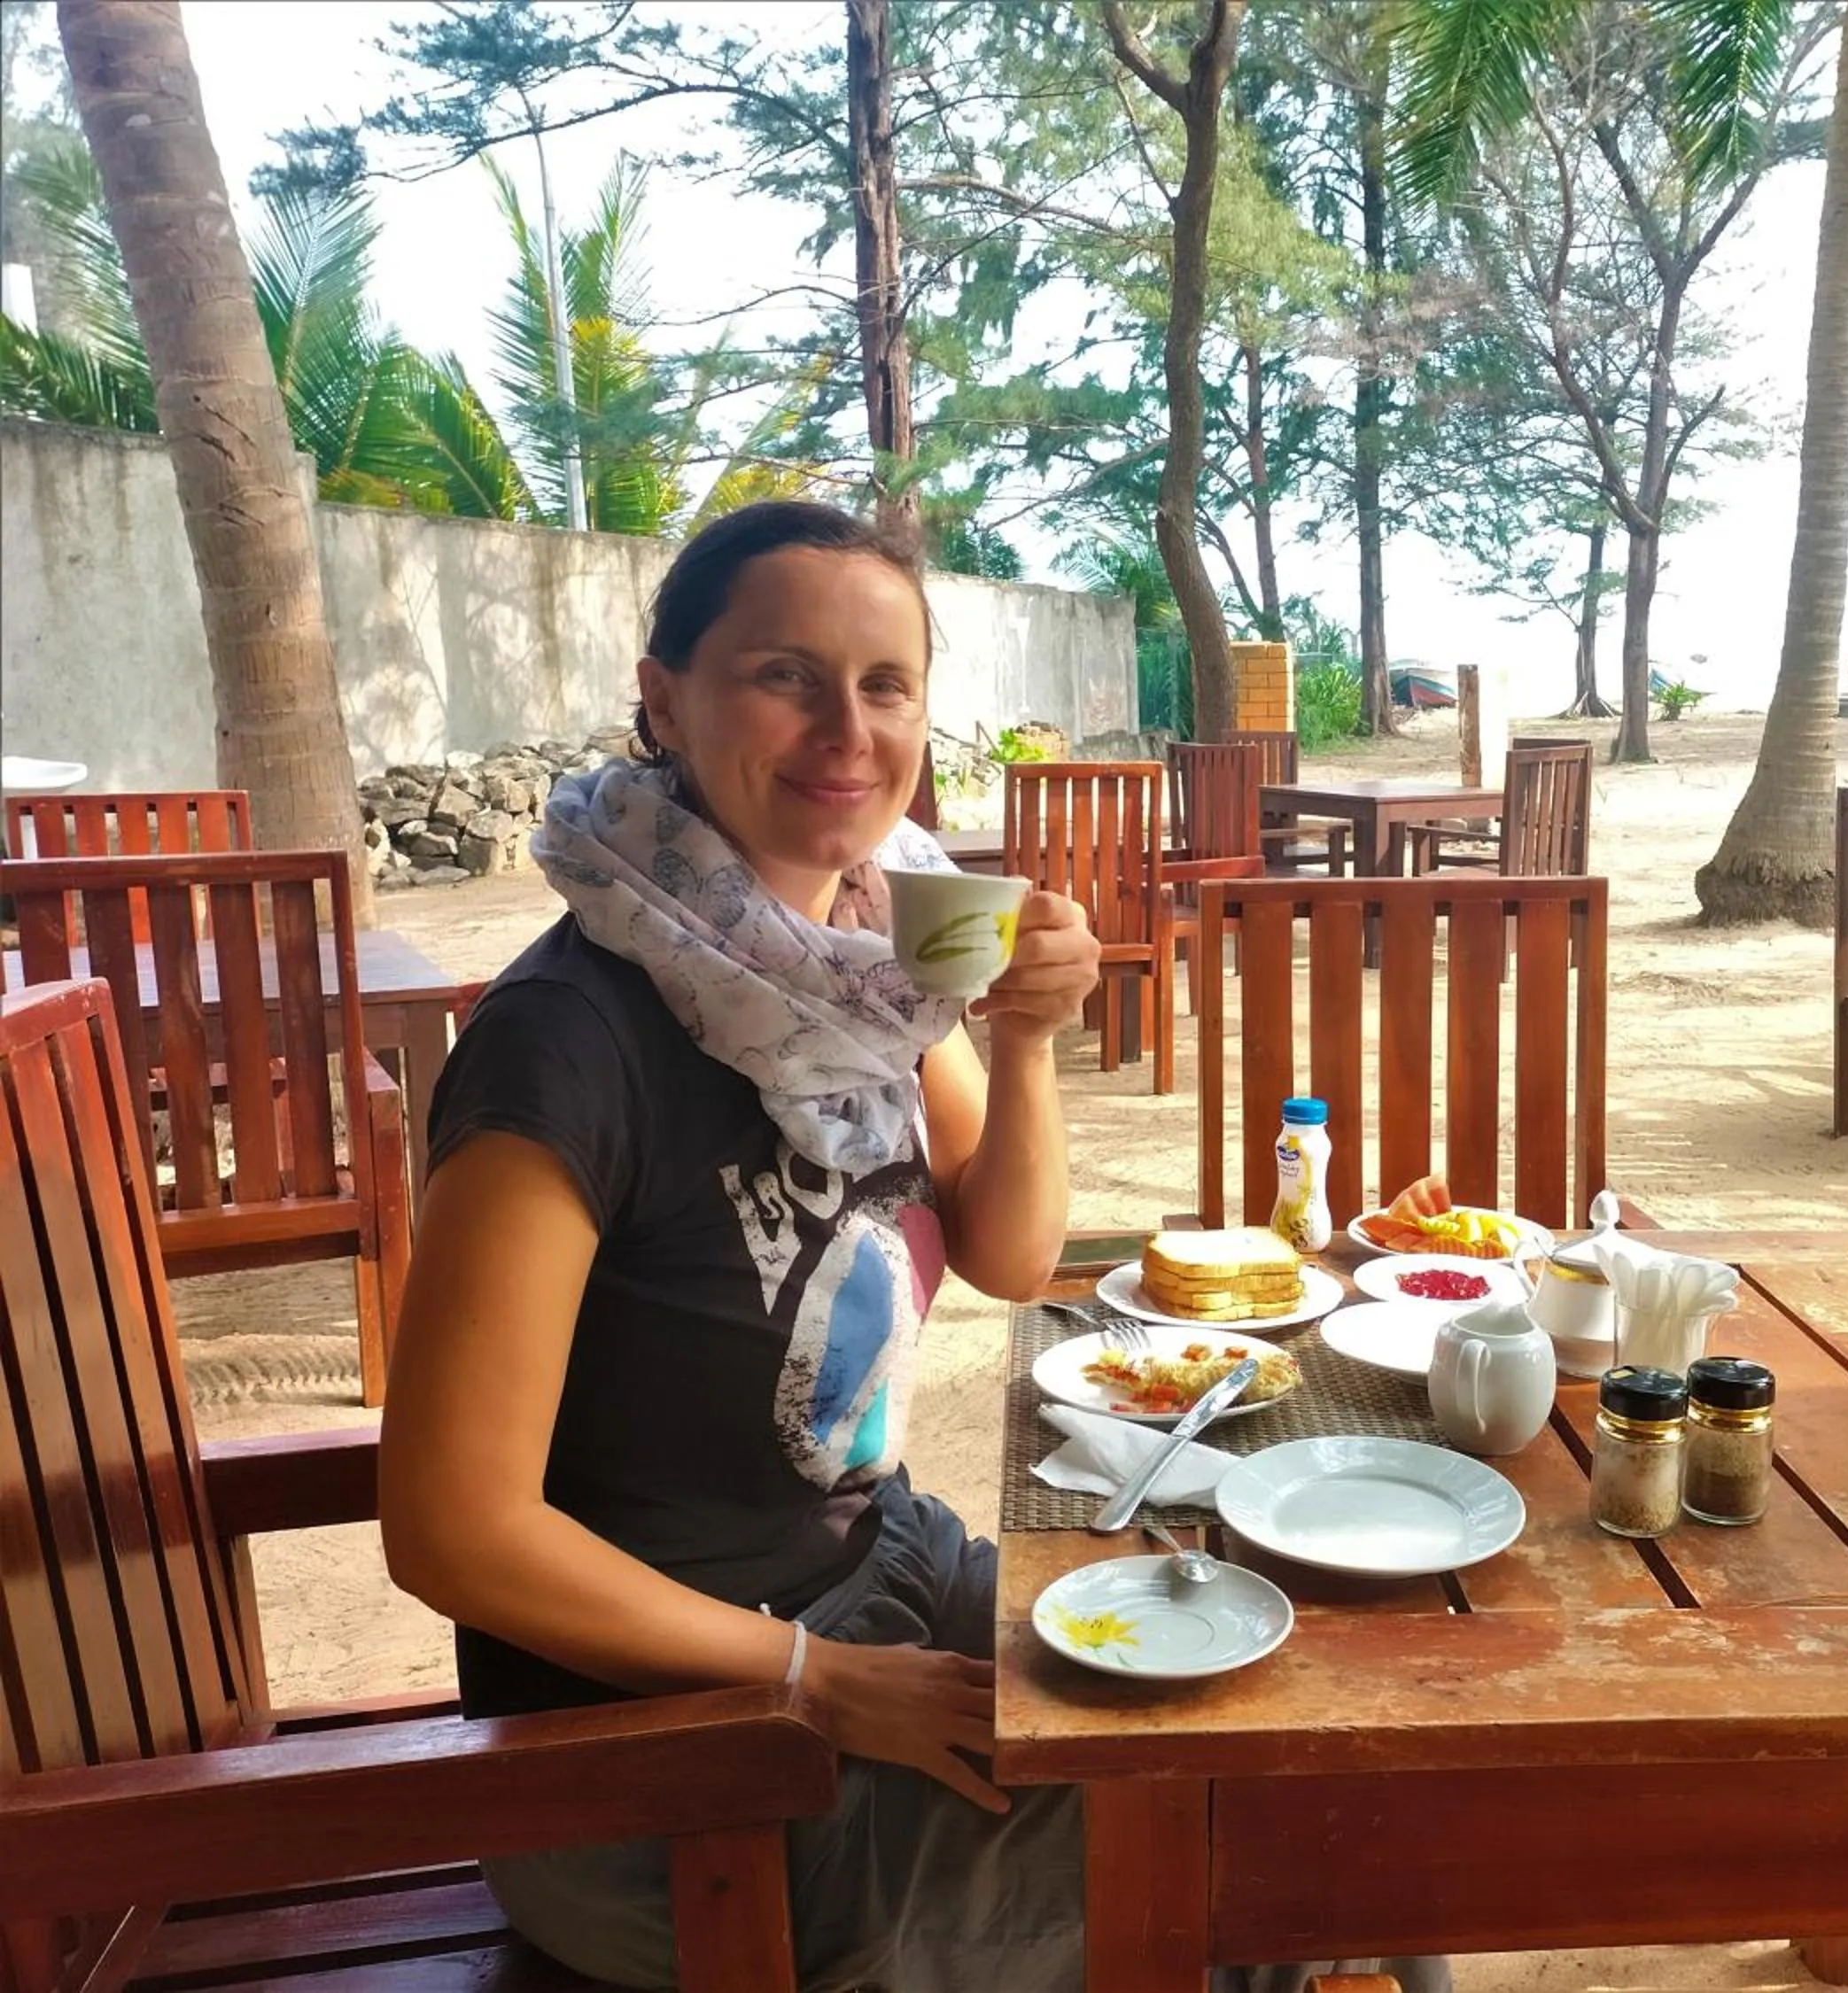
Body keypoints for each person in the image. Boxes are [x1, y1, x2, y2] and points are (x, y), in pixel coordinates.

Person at [381, 500, 1444, 1993]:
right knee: (1286, 1864)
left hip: (879, 1583)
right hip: (660, 1760)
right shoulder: (561, 1046)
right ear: (663, 697)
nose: (847, 730)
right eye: (784, 675)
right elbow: (450, 1527)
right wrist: (812, 1678)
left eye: (886, 685)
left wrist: (1025, 1036)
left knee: (1328, 1756)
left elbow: (1009, 1251)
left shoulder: (864, 954)